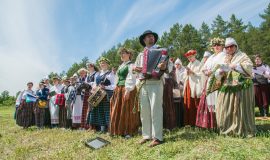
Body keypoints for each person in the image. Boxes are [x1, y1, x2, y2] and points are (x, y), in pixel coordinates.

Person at [133, 30, 171, 147]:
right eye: (148, 37)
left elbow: (169, 67)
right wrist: (136, 69)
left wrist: (164, 67)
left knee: (156, 109)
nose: (151, 38)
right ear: (144, 40)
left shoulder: (162, 51)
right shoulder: (141, 54)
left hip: (156, 82)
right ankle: (146, 135)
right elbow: (135, 68)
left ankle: (157, 137)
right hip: (144, 83)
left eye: (152, 36)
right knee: (144, 111)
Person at [214, 37, 256, 137]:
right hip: (227, 86)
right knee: (224, 107)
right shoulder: (224, 58)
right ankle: (226, 127)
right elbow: (217, 72)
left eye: (231, 46)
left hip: (241, 88)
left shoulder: (242, 55)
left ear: (236, 46)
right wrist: (220, 72)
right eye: (227, 47)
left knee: (240, 108)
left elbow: (249, 67)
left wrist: (235, 66)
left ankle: (241, 128)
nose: (229, 49)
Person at [196, 37, 226, 129]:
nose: (216, 47)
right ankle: (211, 125)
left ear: (222, 46)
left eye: (218, 45)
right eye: (214, 45)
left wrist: (212, 72)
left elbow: (224, 67)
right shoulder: (211, 57)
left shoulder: (224, 55)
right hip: (209, 82)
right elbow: (204, 68)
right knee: (209, 104)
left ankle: (221, 125)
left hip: (220, 81)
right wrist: (206, 72)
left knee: (220, 102)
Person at [110, 47, 140, 137]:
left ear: (129, 55)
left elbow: (132, 77)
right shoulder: (121, 66)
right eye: (121, 54)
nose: (122, 55)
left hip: (127, 88)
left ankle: (129, 131)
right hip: (119, 89)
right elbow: (117, 78)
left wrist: (128, 90)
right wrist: (115, 88)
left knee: (127, 109)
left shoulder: (132, 65)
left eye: (124, 53)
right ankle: (119, 130)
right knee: (119, 109)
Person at [89, 57, 115, 132]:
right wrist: (93, 88)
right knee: (99, 110)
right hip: (98, 93)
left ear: (108, 64)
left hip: (107, 94)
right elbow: (94, 84)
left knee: (107, 111)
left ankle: (110, 128)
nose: (102, 64)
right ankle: (102, 128)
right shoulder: (98, 74)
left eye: (104, 63)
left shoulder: (110, 73)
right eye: (101, 63)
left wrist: (106, 86)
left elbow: (114, 85)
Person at [182, 50, 202, 126]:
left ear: (194, 56)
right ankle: (189, 122)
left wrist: (193, 73)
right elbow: (184, 76)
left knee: (195, 103)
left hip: (195, 86)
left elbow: (201, 75)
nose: (189, 58)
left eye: (190, 57)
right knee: (188, 103)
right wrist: (187, 73)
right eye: (188, 57)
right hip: (188, 86)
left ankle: (196, 123)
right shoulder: (189, 64)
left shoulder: (199, 64)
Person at [172, 58, 185, 128]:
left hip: (182, 91)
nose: (177, 66)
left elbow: (185, 78)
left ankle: (182, 122)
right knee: (176, 106)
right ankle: (177, 123)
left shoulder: (184, 70)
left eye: (178, 64)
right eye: (176, 64)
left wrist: (180, 83)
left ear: (181, 64)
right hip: (176, 91)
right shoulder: (174, 71)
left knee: (182, 106)